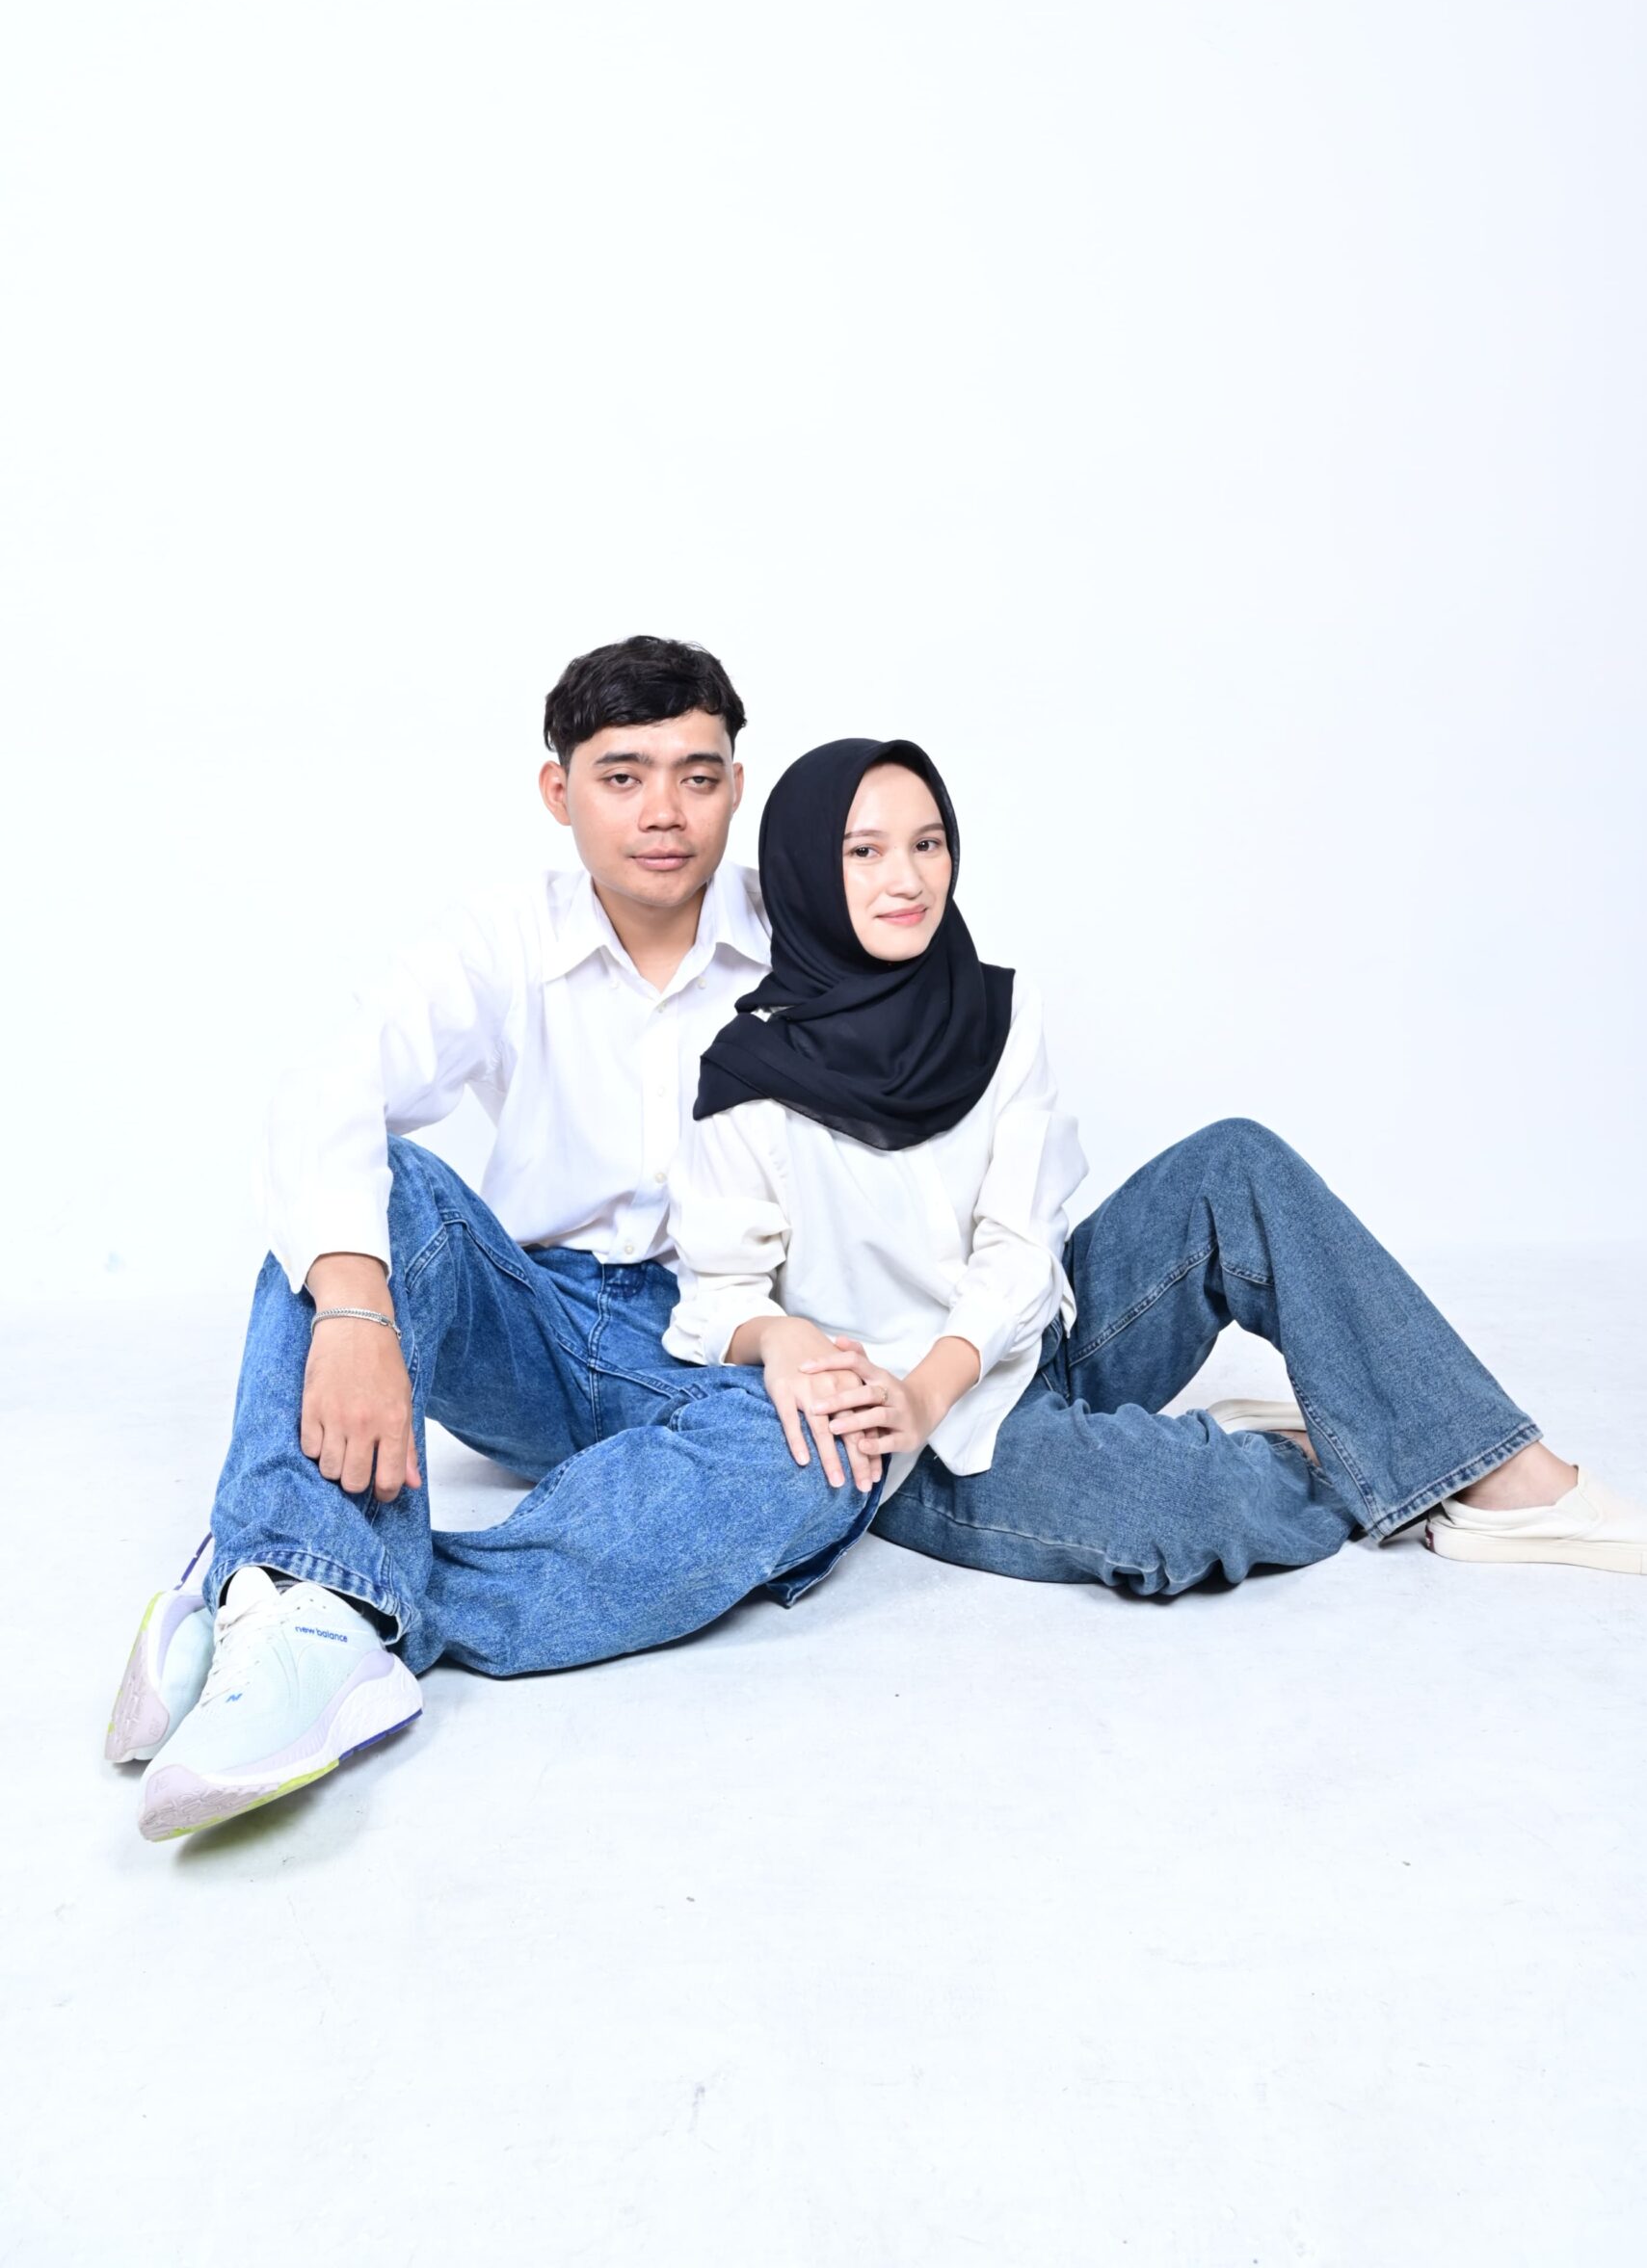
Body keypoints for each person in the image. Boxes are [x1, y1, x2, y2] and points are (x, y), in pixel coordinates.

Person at [107, 636, 877, 1844]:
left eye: (697, 776)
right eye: (621, 776)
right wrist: (355, 1308)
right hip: (530, 1318)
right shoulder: (503, 936)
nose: (663, 812)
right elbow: (329, 1092)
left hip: (720, 1338)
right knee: (375, 1193)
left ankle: (302, 1592)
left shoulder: (813, 937)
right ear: (557, 791)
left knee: (828, 1456)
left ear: (737, 786)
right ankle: (305, 1589)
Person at [662, 736, 1647, 1602]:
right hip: (909, 1443)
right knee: (1183, 1511)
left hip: (1025, 1343)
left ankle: (1504, 1479)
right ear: (804, 871)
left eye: (927, 843)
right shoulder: (747, 1080)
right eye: (864, 851)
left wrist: (942, 1377)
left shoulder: (997, 1011)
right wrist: (790, 1340)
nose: (908, 879)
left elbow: (1019, 1245)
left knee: (1235, 1160)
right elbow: (714, 1301)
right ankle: (1363, 1431)